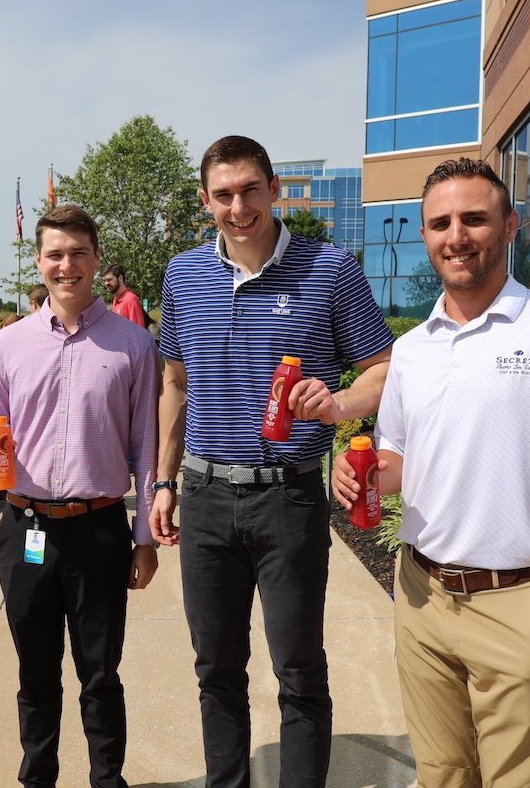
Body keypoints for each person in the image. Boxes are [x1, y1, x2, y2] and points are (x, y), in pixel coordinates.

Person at [332, 157, 530, 788]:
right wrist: (363, 475)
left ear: (511, 225)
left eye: (474, 218)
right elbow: (400, 460)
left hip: (523, 604)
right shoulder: (412, 349)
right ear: (425, 235)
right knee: (442, 777)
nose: (457, 236)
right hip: (421, 597)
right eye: (441, 223)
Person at [150, 135, 393, 788]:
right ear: (206, 201)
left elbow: (385, 368)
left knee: (298, 671)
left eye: (250, 190)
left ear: (274, 189)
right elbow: (174, 383)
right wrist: (163, 481)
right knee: (216, 671)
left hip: (289, 500)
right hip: (204, 496)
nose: (239, 207)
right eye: (223, 195)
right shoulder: (183, 276)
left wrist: (338, 404)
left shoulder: (330, 270)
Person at [0, 204, 159, 788]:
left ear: (96, 259)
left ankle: (108, 780)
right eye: (55, 254)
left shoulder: (134, 346)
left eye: (78, 253)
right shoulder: (8, 344)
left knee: (100, 675)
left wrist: (144, 539)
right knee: (35, 673)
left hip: (99, 531)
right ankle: (37, 779)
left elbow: (147, 448)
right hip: (25, 527)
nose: (66, 265)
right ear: (39, 261)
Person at [101, 264, 147, 328]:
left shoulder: (131, 300)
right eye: (104, 281)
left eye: (109, 279)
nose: (106, 283)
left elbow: (138, 331)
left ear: (120, 278)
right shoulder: (115, 301)